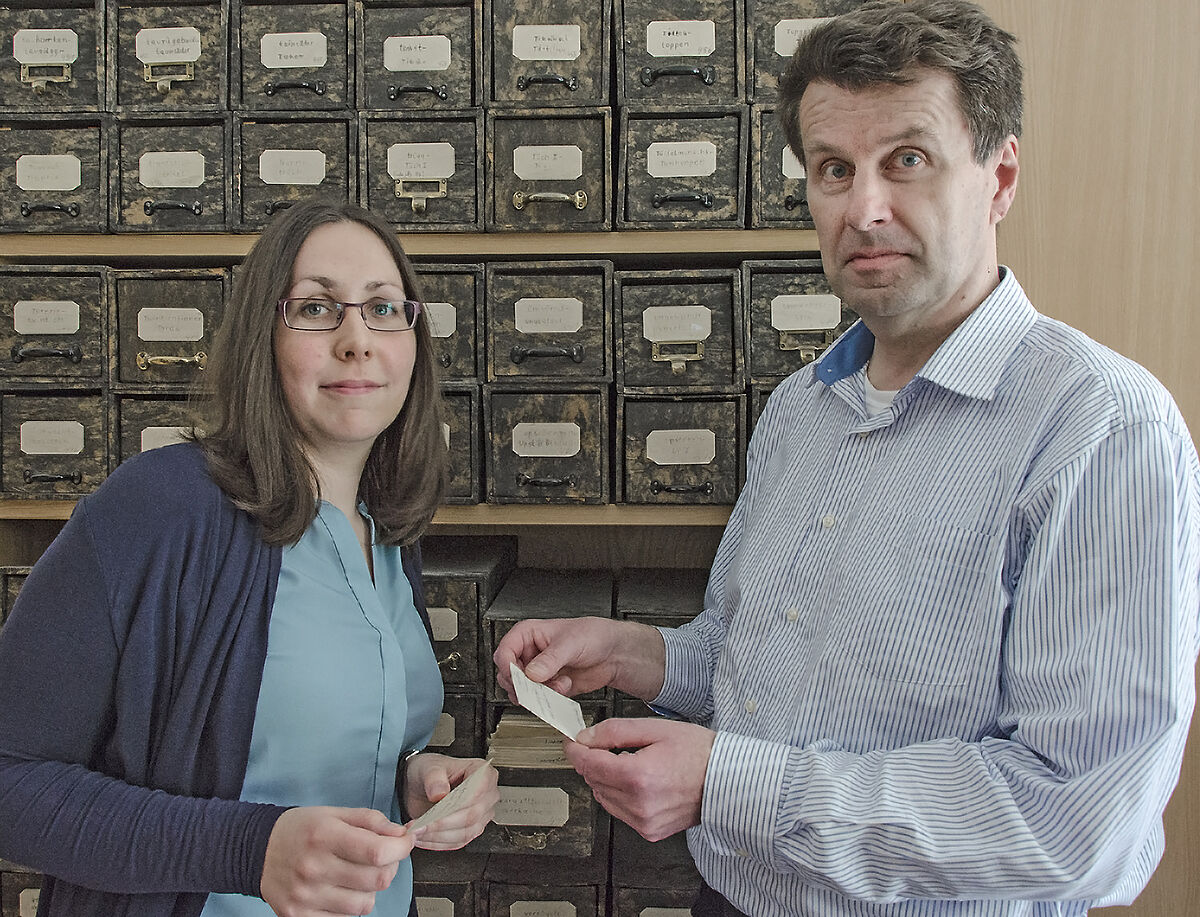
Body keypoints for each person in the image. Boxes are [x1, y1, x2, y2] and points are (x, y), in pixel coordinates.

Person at [495, 2, 1200, 914]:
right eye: (835, 169)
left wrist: (730, 786)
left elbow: (1079, 824)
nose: (865, 208)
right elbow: (763, 662)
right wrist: (641, 654)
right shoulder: (802, 409)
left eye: (907, 160)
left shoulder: (1101, 429)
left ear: (1000, 177)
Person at [0, 198, 498, 917]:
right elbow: (11, 778)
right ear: (262, 334)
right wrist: (248, 848)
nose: (357, 338)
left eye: (384, 308)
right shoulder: (161, 508)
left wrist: (413, 777)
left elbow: (309, 748)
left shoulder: (385, 529)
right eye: (318, 308)